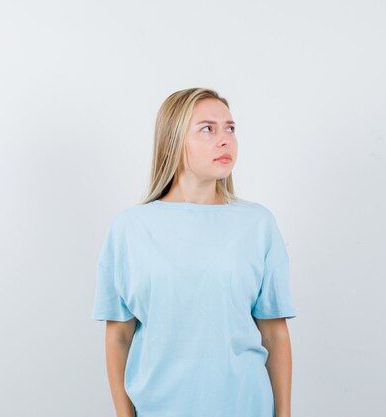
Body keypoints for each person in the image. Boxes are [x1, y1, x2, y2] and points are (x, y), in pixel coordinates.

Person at [91, 87, 297, 417]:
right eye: (207, 129)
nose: (225, 139)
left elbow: (274, 334)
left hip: (246, 406)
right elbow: (118, 336)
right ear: (174, 140)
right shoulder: (129, 228)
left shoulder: (257, 224)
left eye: (230, 128)